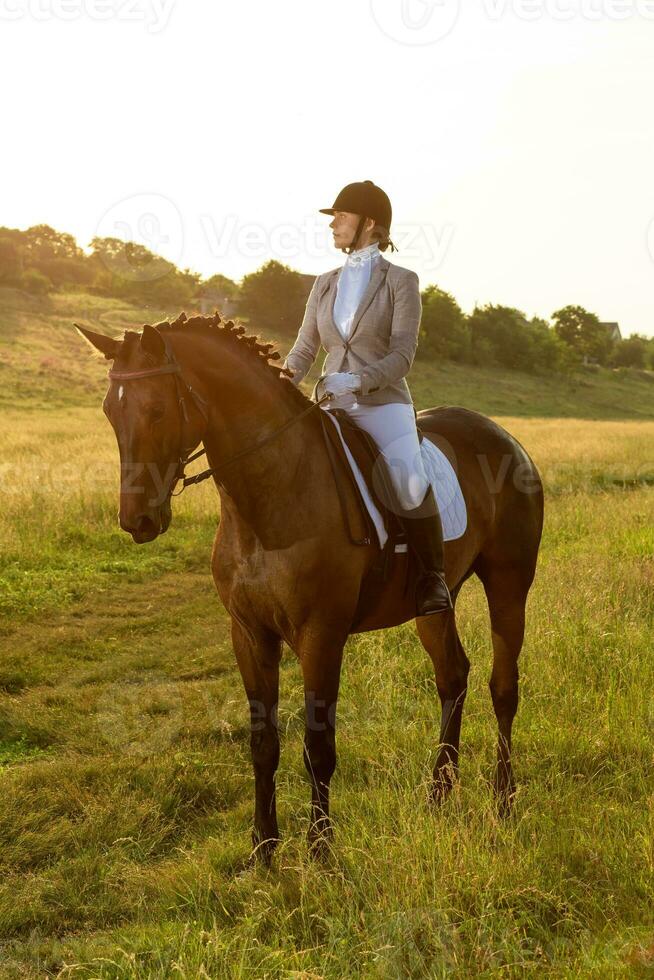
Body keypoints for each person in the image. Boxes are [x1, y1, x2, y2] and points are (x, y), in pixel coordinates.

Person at [283, 180, 452, 615]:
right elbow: (304, 349)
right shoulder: (323, 284)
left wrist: (357, 382)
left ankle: (432, 580)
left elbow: (402, 356)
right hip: (329, 402)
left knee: (408, 480)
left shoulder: (401, 281)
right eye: (334, 217)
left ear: (369, 223)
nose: (333, 224)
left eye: (341, 215)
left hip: (383, 404)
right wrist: (281, 381)